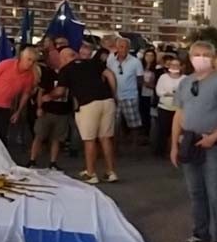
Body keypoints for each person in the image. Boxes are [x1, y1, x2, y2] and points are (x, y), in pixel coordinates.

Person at [172, 41, 217, 242]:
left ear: (211, 58)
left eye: (204, 54)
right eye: (196, 54)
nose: (200, 58)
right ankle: (200, 234)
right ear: (190, 58)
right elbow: (179, 114)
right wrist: (174, 145)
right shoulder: (185, 83)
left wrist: (214, 137)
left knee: (216, 194)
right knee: (196, 193)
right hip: (190, 143)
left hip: (214, 144)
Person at [44, 47, 118, 184]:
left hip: (88, 104)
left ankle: (91, 173)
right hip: (107, 101)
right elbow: (110, 75)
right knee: (105, 138)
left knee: (89, 140)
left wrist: (48, 96)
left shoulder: (66, 69)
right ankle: (110, 171)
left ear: (64, 58)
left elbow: (60, 91)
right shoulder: (93, 63)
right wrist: (113, 95)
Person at [0, 47, 38, 145]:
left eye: (33, 61)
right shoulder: (7, 64)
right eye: (29, 59)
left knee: (1, 135)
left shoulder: (30, 75)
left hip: (4, 107)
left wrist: (18, 112)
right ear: (21, 58)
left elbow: (26, 94)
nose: (30, 63)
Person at [28, 48, 75, 171]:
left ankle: (53, 162)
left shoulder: (71, 73)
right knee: (39, 135)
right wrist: (39, 107)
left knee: (57, 138)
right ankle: (32, 160)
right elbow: (41, 91)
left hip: (63, 111)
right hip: (47, 110)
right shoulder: (48, 73)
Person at [106, 38, 144, 146]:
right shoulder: (110, 60)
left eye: (126, 47)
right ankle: (114, 147)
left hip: (130, 96)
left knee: (134, 123)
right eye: (121, 46)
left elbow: (140, 80)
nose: (124, 49)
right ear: (117, 47)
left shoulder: (136, 62)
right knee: (113, 124)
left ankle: (134, 147)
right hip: (114, 96)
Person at [155, 57, 185, 157]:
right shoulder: (163, 77)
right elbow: (159, 91)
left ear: (180, 67)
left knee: (178, 131)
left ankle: (177, 150)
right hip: (164, 107)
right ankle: (161, 152)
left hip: (179, 109)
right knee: (163, 130)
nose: (174, 67)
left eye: (177, 65)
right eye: (172, 65)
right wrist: (170, 94)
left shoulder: (185, 79)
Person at [139, 49, 158, 138]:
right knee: (140, 112)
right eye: (147, 55)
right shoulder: (139, 66)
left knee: (147, 114)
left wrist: (148, 85)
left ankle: (146, 133)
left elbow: (157, 84)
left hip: (149, 94)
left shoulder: (157, 69)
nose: (149, 57)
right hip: (139, 93)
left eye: (151, 55)